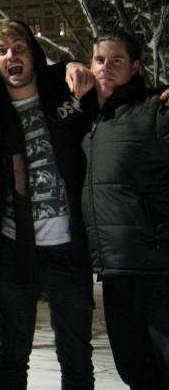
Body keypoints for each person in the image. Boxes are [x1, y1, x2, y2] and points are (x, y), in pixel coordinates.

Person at [0, 19, 95, 390]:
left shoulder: (64, 95)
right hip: (15, 251)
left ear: (32, 53)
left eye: (19, 48)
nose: (11, 56)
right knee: (13, 356)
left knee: (76, 358)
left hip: (67, 252)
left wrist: (73, 66)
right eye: (2, 51)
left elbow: (110, 89)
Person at [80, 31, 169, 389]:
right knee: (133, 369)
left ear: (134, 67)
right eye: (99, 60)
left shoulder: (155, 109)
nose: (106, 67)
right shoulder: (90, 120)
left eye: (116, 60)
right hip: (114, 270)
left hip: (157, 268)